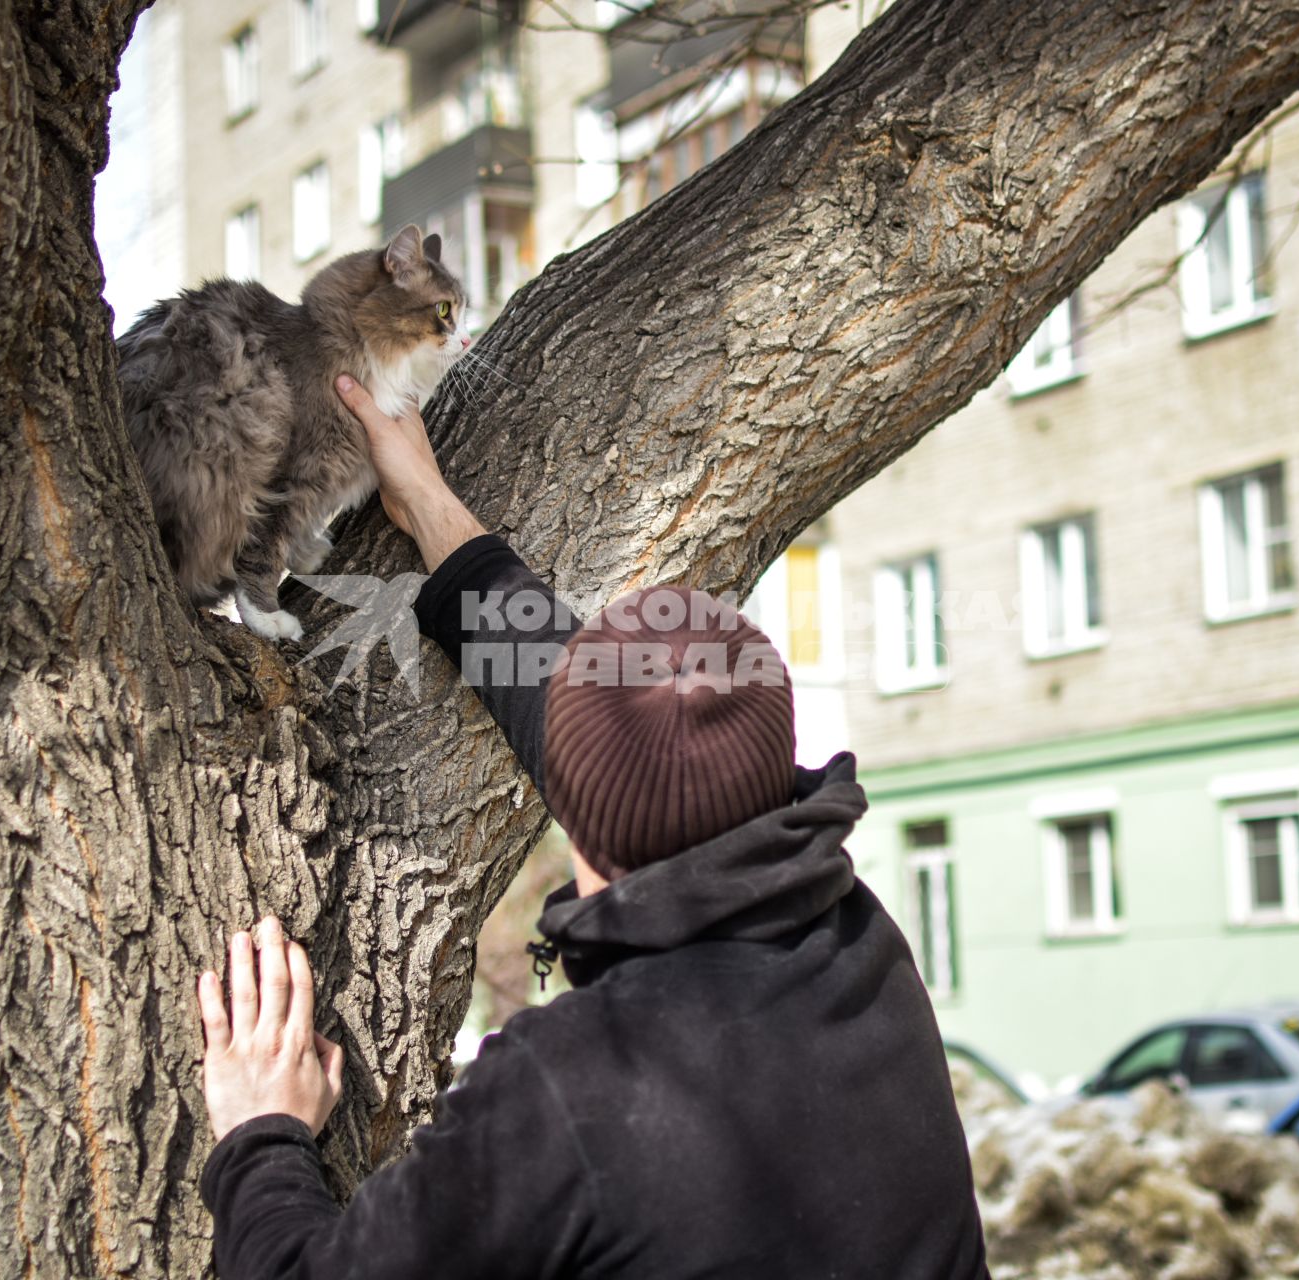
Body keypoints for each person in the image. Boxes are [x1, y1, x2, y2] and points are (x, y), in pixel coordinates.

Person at [193, 375, 992, 1279]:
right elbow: (603, 724)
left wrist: (261, 1135)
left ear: (577, 820)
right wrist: (425, 500)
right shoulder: (855, 942)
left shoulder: (574, 1093)